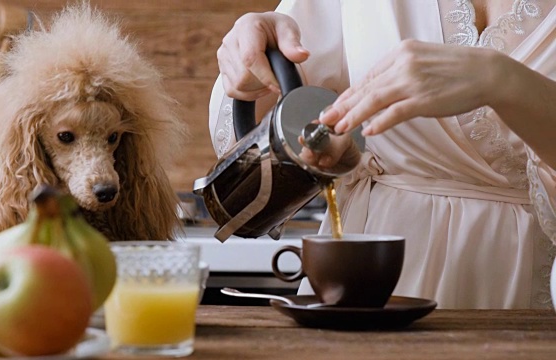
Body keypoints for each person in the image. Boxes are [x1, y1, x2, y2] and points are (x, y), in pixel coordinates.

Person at [208, 0, 556, 309]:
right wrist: (256, 58)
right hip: (374, 279)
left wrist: (506, 82)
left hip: (529, 281)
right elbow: (263, 127)